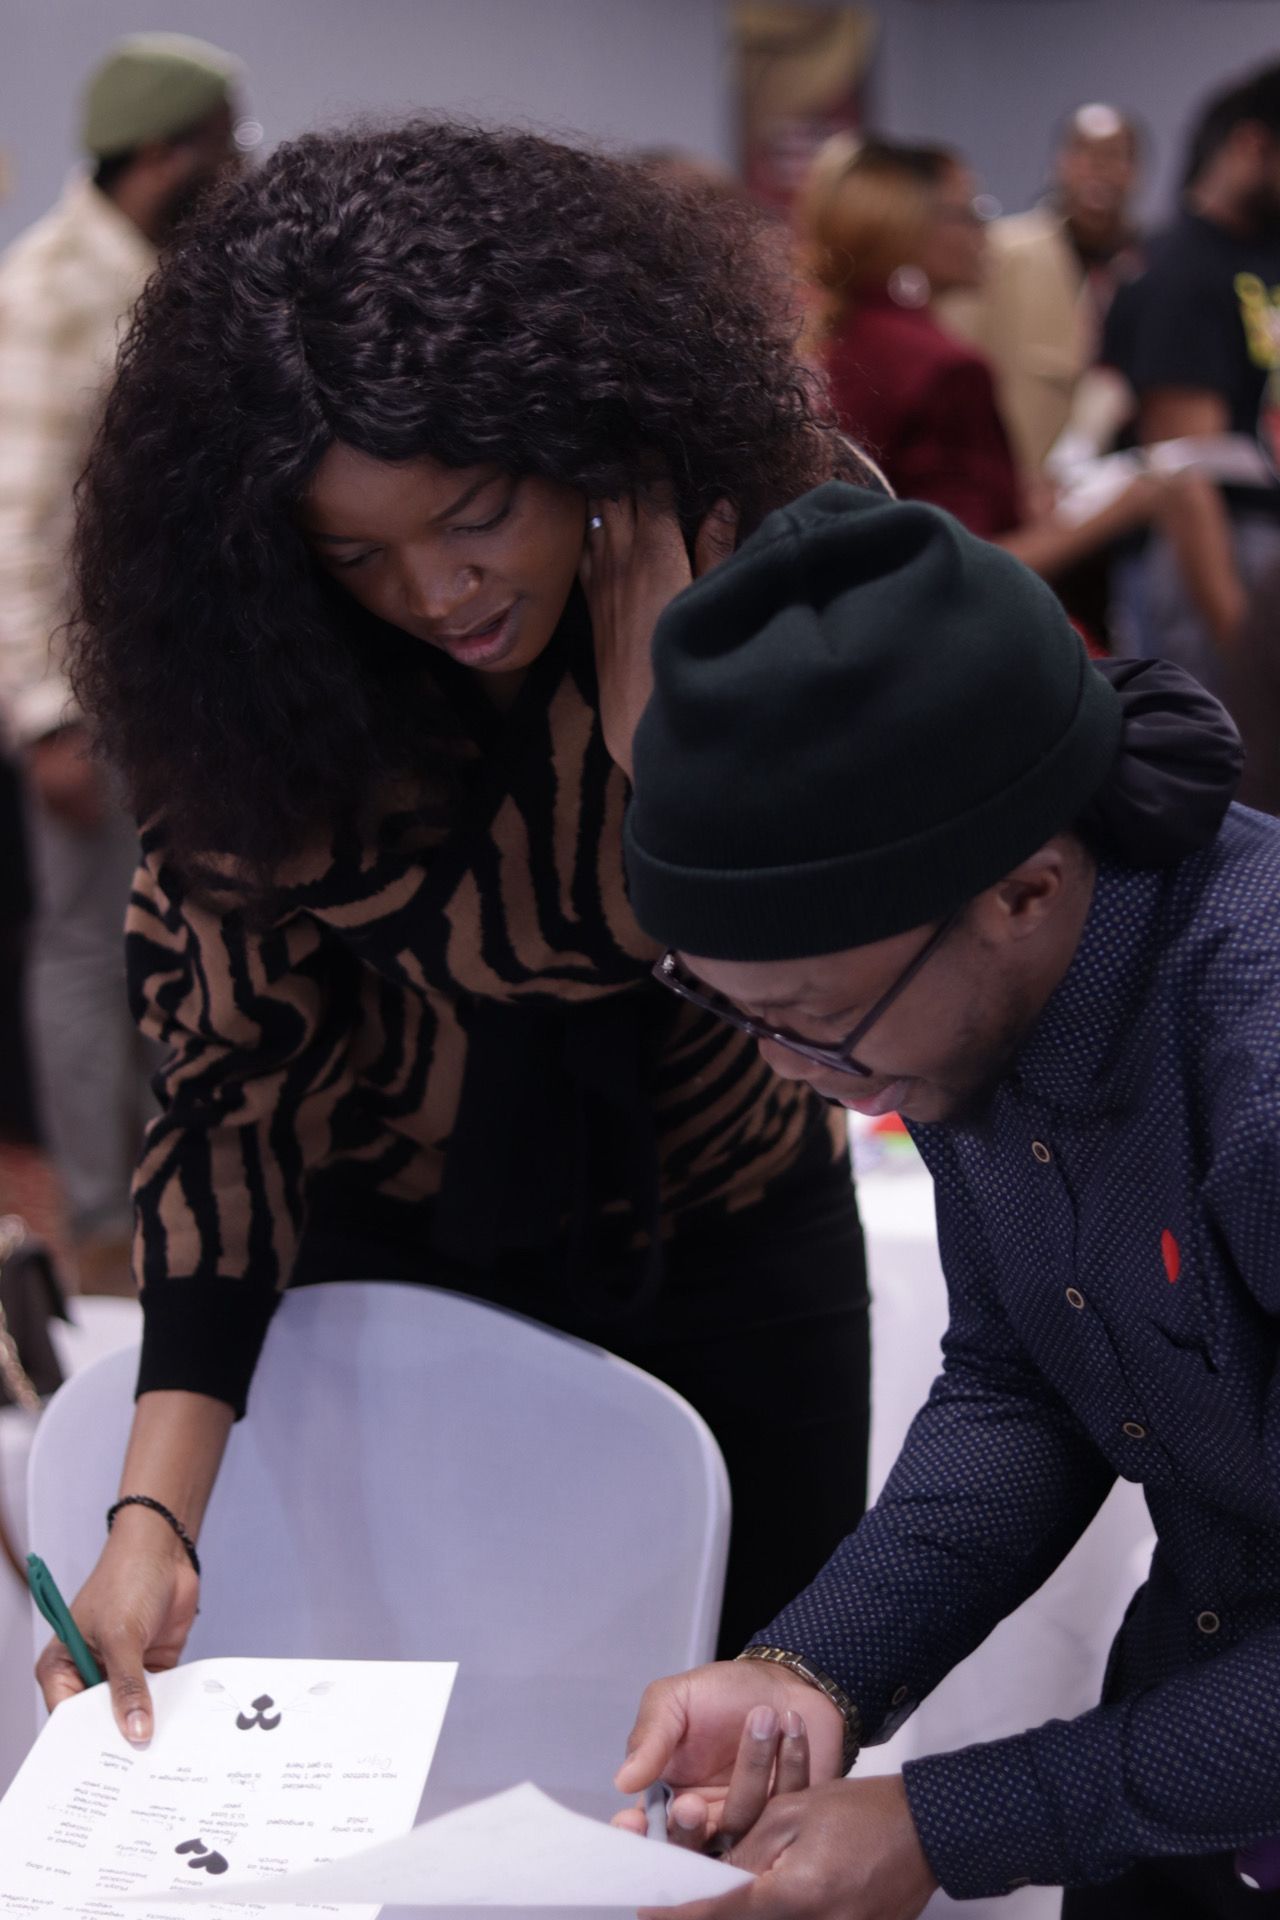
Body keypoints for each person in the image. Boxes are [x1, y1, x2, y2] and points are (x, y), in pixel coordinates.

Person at [39, 122, 874, 1740]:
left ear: (585, 433)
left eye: (478, 513)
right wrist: (154, 1515)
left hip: (730, 1228)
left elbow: (850, 984)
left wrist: (662, 751)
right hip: (385, 1257)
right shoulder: (253, 683)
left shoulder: (776, 553)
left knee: (761, 1762)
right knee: (417, 1746)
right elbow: (228, 1092)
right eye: (356, 552)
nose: (436, 591)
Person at [610, 480, 1280, 1919]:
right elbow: (1021, 1380)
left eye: (815, 1023)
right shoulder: (979, 1013)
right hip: (1189, 1752)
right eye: (743, 1019)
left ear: (1023, 894)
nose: (799, 1079)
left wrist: (959, 1821)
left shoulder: (1258, 1061)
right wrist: (808, 1672)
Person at [0, 33, 242, 1295]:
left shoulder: (151, 271)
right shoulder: (52, 292)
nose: (238, 160)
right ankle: (100, 1240)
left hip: (161, 674)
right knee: (92, 949)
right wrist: (42, 713)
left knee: (169, 942)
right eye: (221, 139)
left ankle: (173, 1213)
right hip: (82, 687)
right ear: (164, 154)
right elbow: (11, 513)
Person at [799, 134, 1161, 586]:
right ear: (911, 225)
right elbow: (966, 567)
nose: (985, 231)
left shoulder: (838, 333)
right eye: (971, 211)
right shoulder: (943, 369)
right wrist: (1124, 507)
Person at [1102, 61, 1280, 690]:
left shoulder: (1263, 255)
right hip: (1219, 554)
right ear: (1253, 146)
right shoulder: (1179, 270)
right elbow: (1184, 472)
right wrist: (1243, 646)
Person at [945, 104, 1144, 478]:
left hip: (1121, 482)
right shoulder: (1002, 251)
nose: (1099, 169)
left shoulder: (1148, 263)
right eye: (1086, 154)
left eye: (1115, 156)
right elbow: (960, 357)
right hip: (1021, 473)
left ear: (1136, 172)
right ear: (1062, 162)